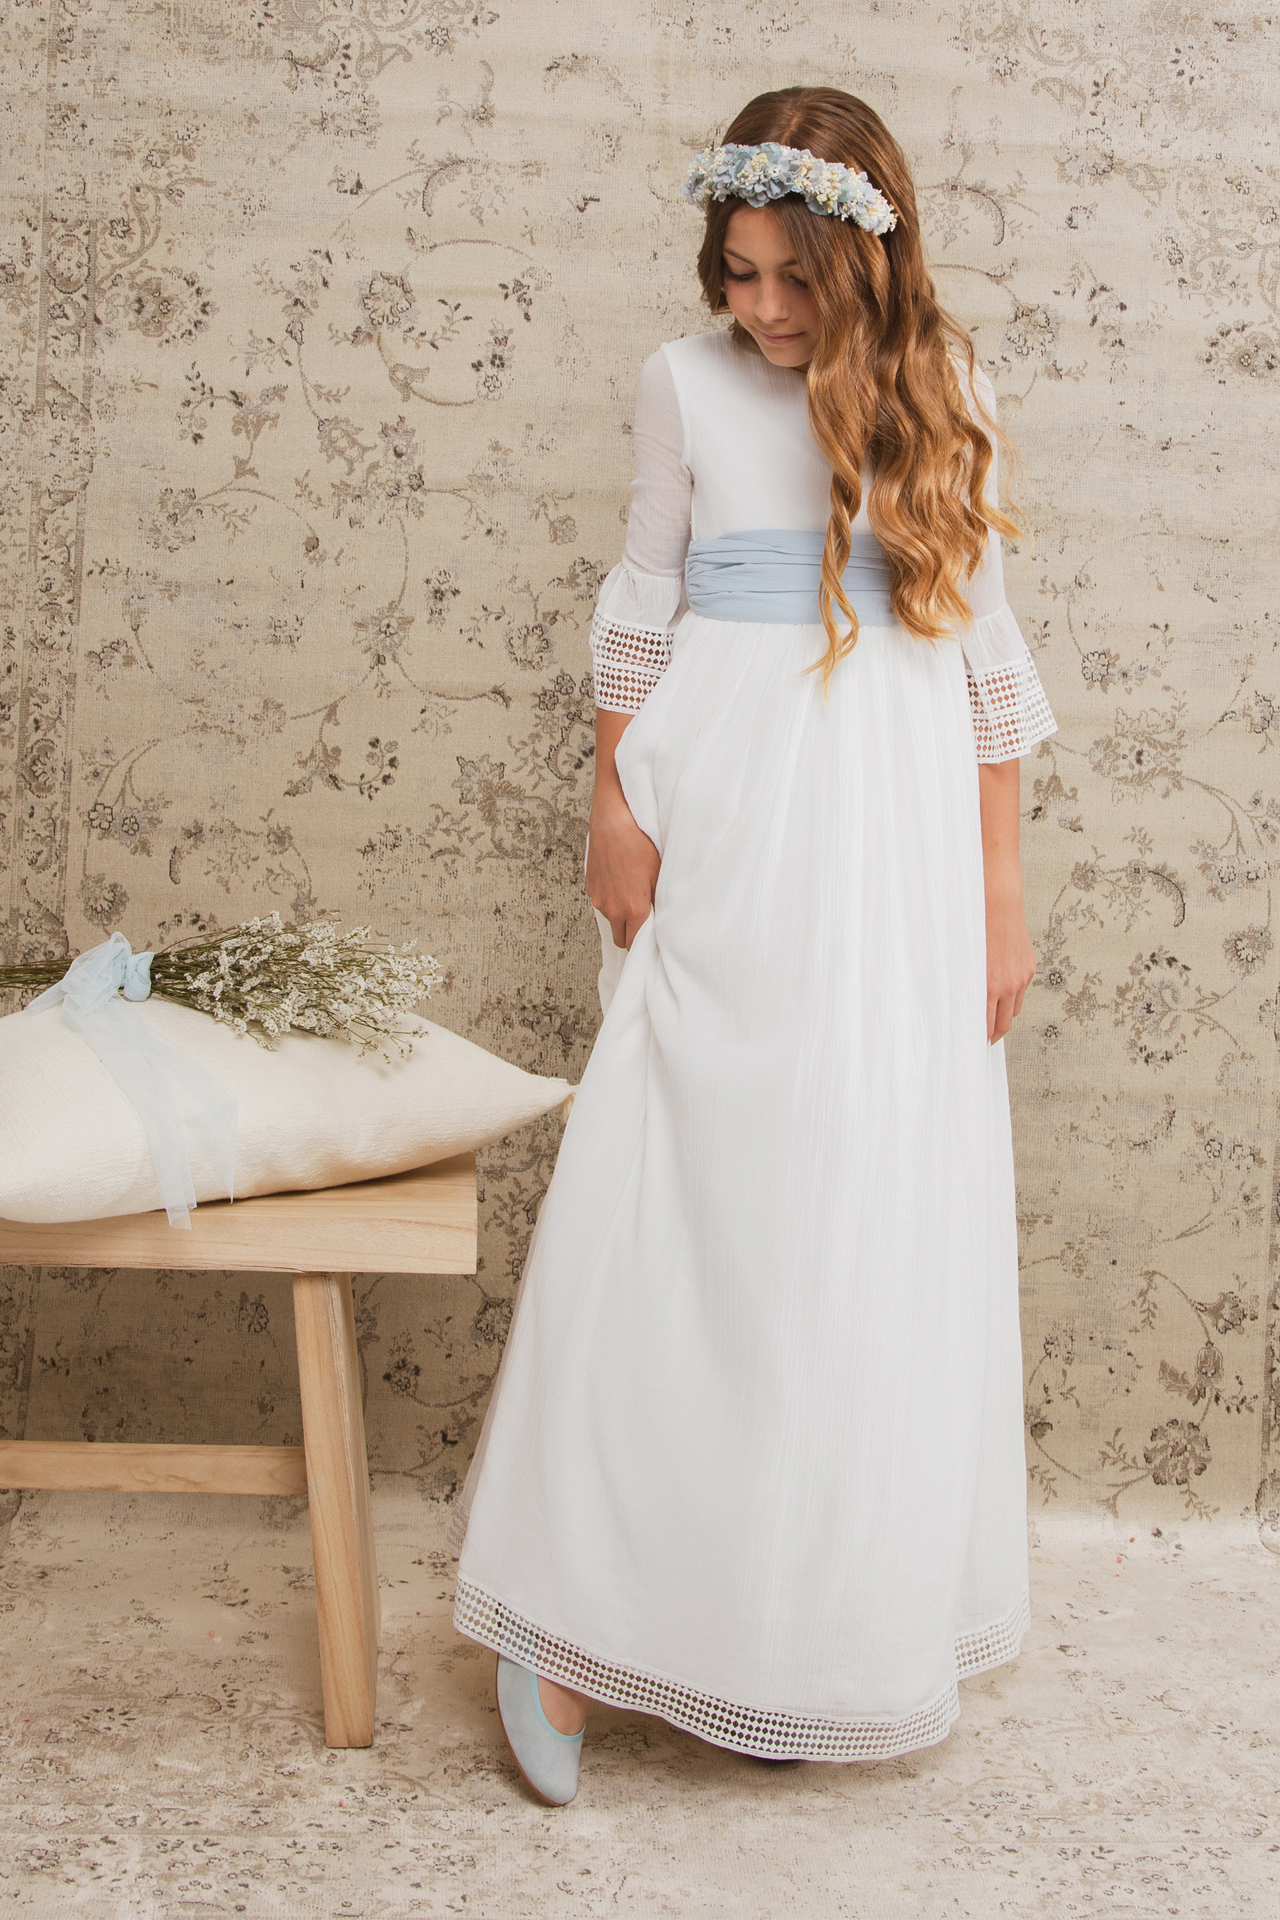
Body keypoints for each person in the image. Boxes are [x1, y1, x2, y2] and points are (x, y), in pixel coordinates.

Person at [447, 85, 1056, 1806]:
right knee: (683, 1183)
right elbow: (643, 599)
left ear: (865, 262)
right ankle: (567, 1627)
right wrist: (613, 804)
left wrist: (1000, 891)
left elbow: (983, 652)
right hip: (722, 797)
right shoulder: (683, 382)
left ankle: (787, 1632)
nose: (765, 309)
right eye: (740, 271)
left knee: (851, 1208)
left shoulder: (948, 389)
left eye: (796, 276)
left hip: (895, 831)